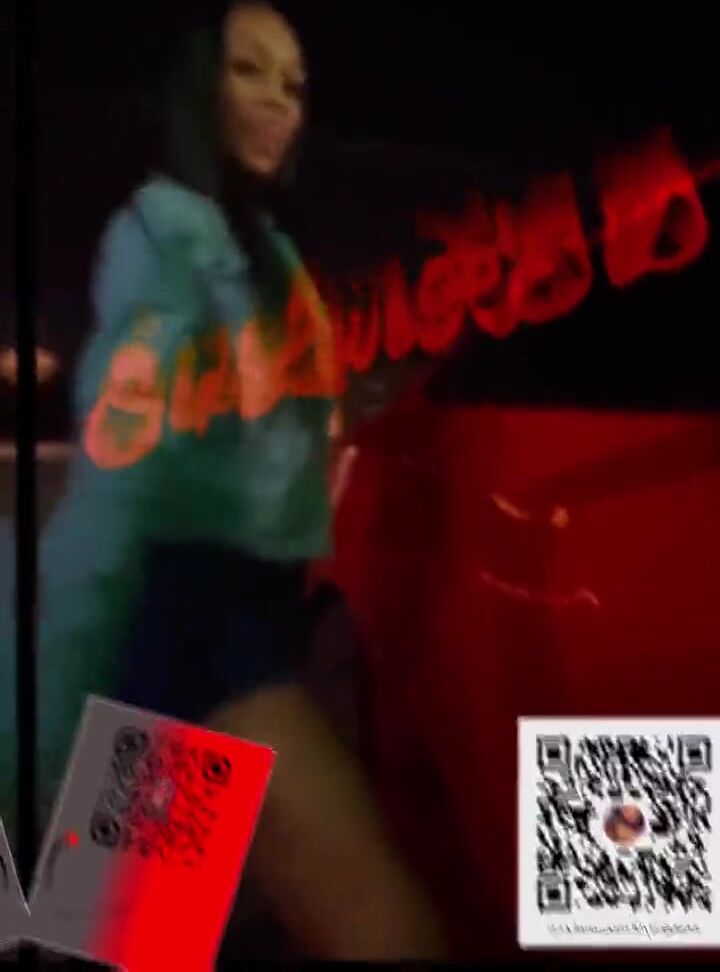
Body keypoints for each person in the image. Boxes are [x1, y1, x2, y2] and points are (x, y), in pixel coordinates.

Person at [33, 1, 447, 960]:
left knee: (133, 947)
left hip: (234, 627)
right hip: (192, 633)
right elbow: (124, 461)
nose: (278, 102)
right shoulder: (170, 236)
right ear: (195, 86)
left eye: (294, 84)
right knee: (384, 933)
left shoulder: (255, 241)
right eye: (249, 71)